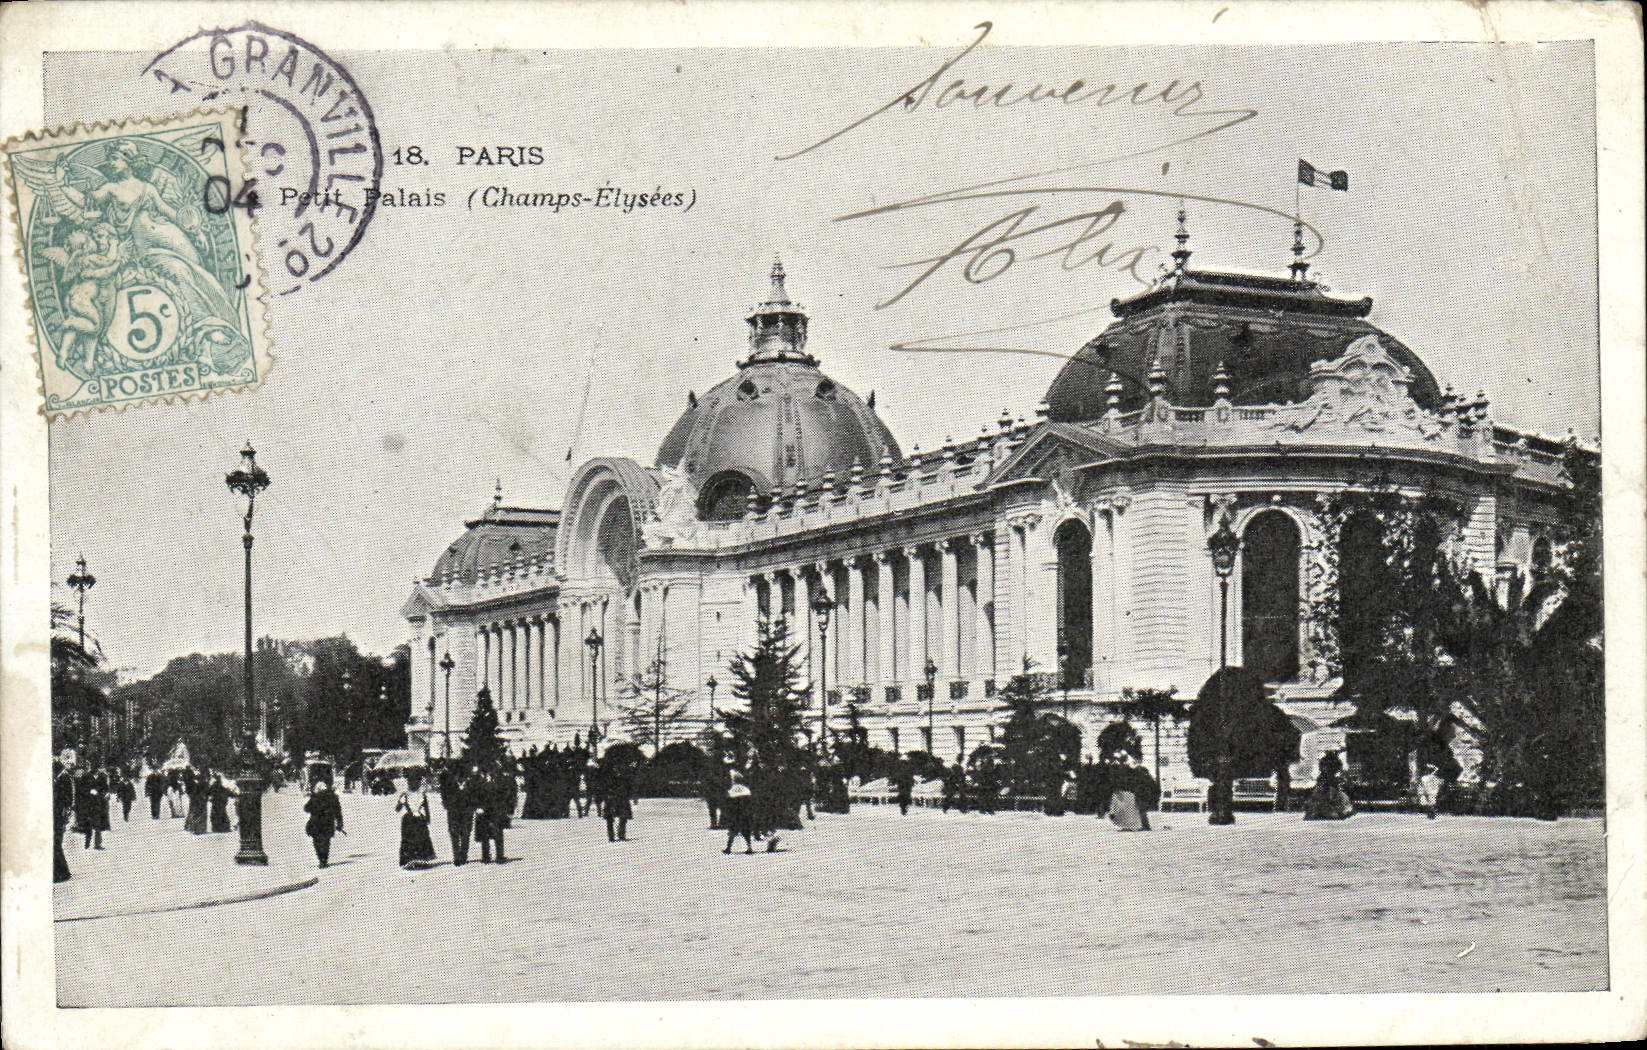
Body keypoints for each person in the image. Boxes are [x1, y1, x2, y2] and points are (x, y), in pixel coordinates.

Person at [396, 770, 439, 868]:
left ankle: (420, 859)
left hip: (417, 819)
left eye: (416, 782)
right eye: (411, 782)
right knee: (410, 839)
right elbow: (397, 809)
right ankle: (410, 860)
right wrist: (400, 802)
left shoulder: (421, 795)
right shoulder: (406, 795)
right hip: (410, 820)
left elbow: (426, 807)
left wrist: (428, 818)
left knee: (420, 839)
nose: (413, 784)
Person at [303, 780, 344, 867]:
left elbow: (306, 808)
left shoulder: (315, 797)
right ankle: (324, 859)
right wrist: (339, 823)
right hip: (328, 823)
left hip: (315, 823)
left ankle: (321, 859)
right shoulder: (333, 797)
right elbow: (338, 812)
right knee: (326, 842)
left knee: (317, 842)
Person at [440, 764, 475, 866]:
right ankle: (456, 856)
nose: (460, 777)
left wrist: (472, 807)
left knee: (465, 833)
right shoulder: (449, 783)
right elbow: (444, 795)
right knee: (454, 833)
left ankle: (463, 856)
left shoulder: (470, 783)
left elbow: (474, 795)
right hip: (453, 811)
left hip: (467, 811)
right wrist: (448, 805)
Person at [1304, 750, 1355, 821]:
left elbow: (1338, 770)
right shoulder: (1326, 762)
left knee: (1332, 793)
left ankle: (1329, 811)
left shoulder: (1332, 762)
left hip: (1331, 782)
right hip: (1326, 782)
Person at [474, 767, 508, 863]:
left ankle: (494, 856)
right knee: (488, 835)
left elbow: (504, 796)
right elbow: (476, 796)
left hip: (491, 811)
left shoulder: (495, 784)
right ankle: (490, 856)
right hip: (487, 812)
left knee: (494, 834)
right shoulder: (483, 784)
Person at [721, 769, 756, 854]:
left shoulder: (731, 790)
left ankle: (728, 848)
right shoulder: (746, 789)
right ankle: (749, 847)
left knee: (732, 831)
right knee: (746, 831)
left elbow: (728, 804)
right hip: (745, 814)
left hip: (735, 814)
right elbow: (750, 803)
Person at [600, 758, 635, 843]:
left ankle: (621, 834)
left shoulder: (624, 775)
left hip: (621, 797)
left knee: (623, 816)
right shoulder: (607, 775)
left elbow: (629, 786)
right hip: (611, 798)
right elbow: (603, 786)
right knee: (610, 818)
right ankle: (611, 836)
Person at [74, 765, 109, 849]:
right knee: (88, 824)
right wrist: (89, 791)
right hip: (88, 804)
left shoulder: (102, 777)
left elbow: (105, 787)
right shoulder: (86, 776)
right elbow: (80, 789)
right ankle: (87, 843)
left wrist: (106, 793)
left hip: (98, 803)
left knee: (98, 824)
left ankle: (97, 844)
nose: (97, 770)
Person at [53, 760, 74, 882]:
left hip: (59, 816)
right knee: (56, 844)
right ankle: (60, 872)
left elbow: (67, 799)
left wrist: (65, 813)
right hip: (58, 815)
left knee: (56, 843)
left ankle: (62, 873)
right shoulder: (62, 778)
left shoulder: (64, 779)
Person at [183, 766, 209, 835]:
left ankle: (192, 827)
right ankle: (199, 828)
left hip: (195, 799)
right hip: (200, 799)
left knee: (194, 812)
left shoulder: (194, 782)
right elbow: (206, 791)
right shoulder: (203, 783)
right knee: (199, 813)